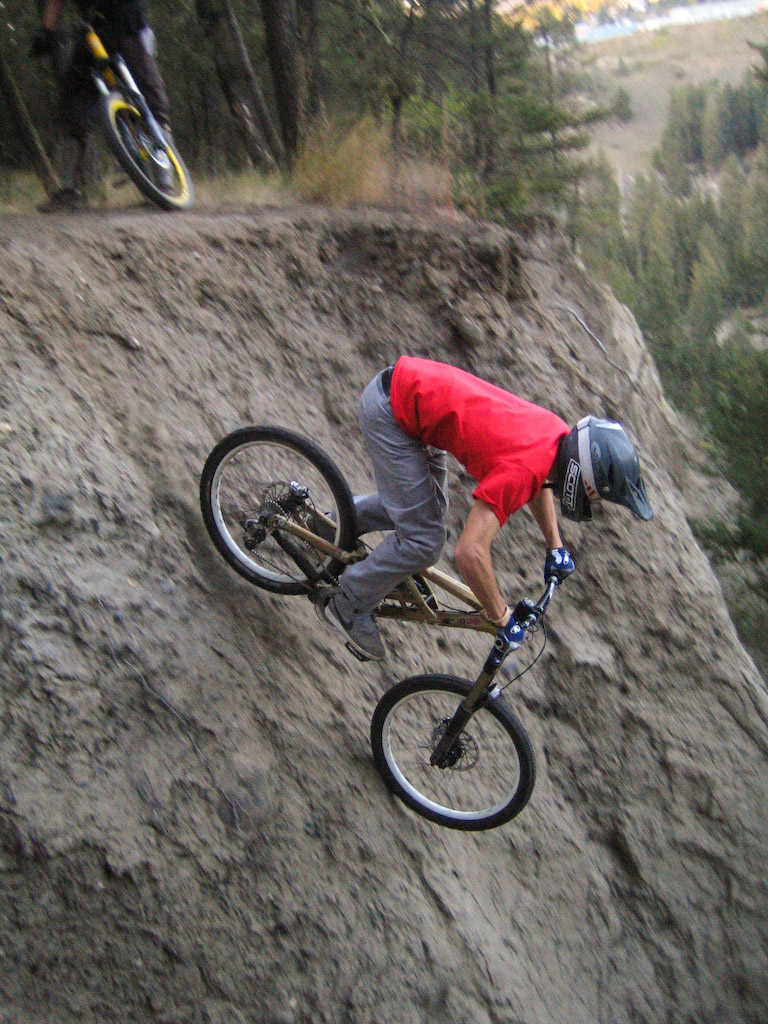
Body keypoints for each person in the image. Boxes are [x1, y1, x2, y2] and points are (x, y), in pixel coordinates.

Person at [316, 355, 653, 662]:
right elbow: (469, 552)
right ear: (581, 478)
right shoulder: (523, 471)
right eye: (594, 495)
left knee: (427, 510)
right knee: (424, 541)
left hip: (407, 396)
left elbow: (538, 480)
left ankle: (333, 526)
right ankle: (348, 603)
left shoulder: (556, 435)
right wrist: (501, 616)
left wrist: (555, 545)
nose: (591, 502)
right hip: (392, 413)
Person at [30, 0, 172, 211]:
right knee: (73, 108)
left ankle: (164, 185)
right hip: (93, 32)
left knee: (152, 101)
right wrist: (47, 32)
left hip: (129, 23)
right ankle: (68, 191)